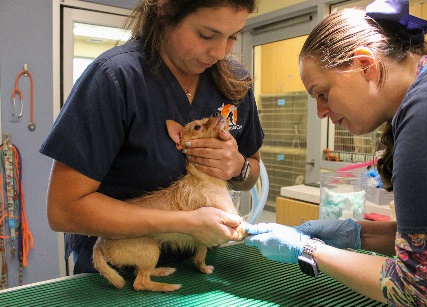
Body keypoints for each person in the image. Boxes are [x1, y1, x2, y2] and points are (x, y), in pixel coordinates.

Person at [244, 0, 427, 306]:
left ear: (366, 65)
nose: (321, 112)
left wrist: (307, 250)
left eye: (322, 94)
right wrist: (355, 234)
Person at [40, 0, 264, 274]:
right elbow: (64, 210)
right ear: (164, 11)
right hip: (121, 268)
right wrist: (186, 223)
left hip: (204, 269)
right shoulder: (115, 78)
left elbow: (251, 170)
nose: (219, 52)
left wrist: (238, 167)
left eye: (232, 37)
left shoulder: (235, 83)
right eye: (206, 35)